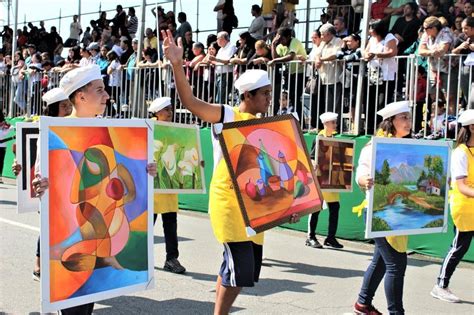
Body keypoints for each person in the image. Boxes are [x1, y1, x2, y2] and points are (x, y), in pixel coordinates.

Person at [161, 29, 299, 315]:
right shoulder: (228, 116)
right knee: (239, 267)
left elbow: (274, 170)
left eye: (270, 93)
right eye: (265, 94)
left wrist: (289, 205)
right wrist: (177, 64)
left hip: (256, 204)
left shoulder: (268, 125)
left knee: (242, 272)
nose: (269, 99)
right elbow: (191, 103)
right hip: (229, 203)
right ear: (248, 95)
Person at [32, 65, 157, 314]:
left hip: (103, 237)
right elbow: (42, 182)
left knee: (86, 303)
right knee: (74, 305)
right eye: (100, 90)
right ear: (81, 97)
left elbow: (127, 174)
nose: (107, 95)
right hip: (74, 233)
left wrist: (147, 171)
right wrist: (40, 185)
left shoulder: (113, 129)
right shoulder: (54, 131)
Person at [354, 100, 413, 315]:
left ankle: (362, 303)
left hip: (399, 212)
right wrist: (364, 180)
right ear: (391, 122)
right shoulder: (375, 145)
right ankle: (396, 313)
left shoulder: (407, 146)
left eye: (409, 117)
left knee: (381, 261)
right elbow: (361, 172)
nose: (409, 122)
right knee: (397, 265)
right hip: (380, 211)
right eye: (404, 118)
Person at [430, 109, 474, 303]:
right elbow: (462, 187)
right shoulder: (460, 153)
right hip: (464, 207)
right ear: (472, 127)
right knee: (459, 247)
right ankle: (440, 285)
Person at [148, 97, 187, 274]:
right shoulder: (149, 128)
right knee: (148, 223)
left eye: (171, 109)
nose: (171, 113)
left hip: (169, 186)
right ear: (157, 112)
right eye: (167, 110)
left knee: (171, 223)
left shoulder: (175, 130)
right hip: (154, 185)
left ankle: (172, 259)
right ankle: (142, 256)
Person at [307, 112, 344, 249]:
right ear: (325, 124)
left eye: (335, 122)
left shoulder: (334, 138)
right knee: (316, 208)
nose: (335, 124)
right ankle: (310, 237)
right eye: (333, 122)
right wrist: (313, 163)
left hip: (332, 179)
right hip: (320, 178)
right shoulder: (319, 138)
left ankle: (330, 238)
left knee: (335, 208)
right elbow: (312, 156)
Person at [208, 31, 236, 104]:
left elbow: (227, 60)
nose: (216, 41)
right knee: (219, 98)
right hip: (219, 74)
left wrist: (215, 59)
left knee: (221, 98)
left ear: (223, 38)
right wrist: (212, 61)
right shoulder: (221, 49)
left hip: (226, 74)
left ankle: (223, 114)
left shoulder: (231, 46)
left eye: (218, 38)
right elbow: (218, 62)